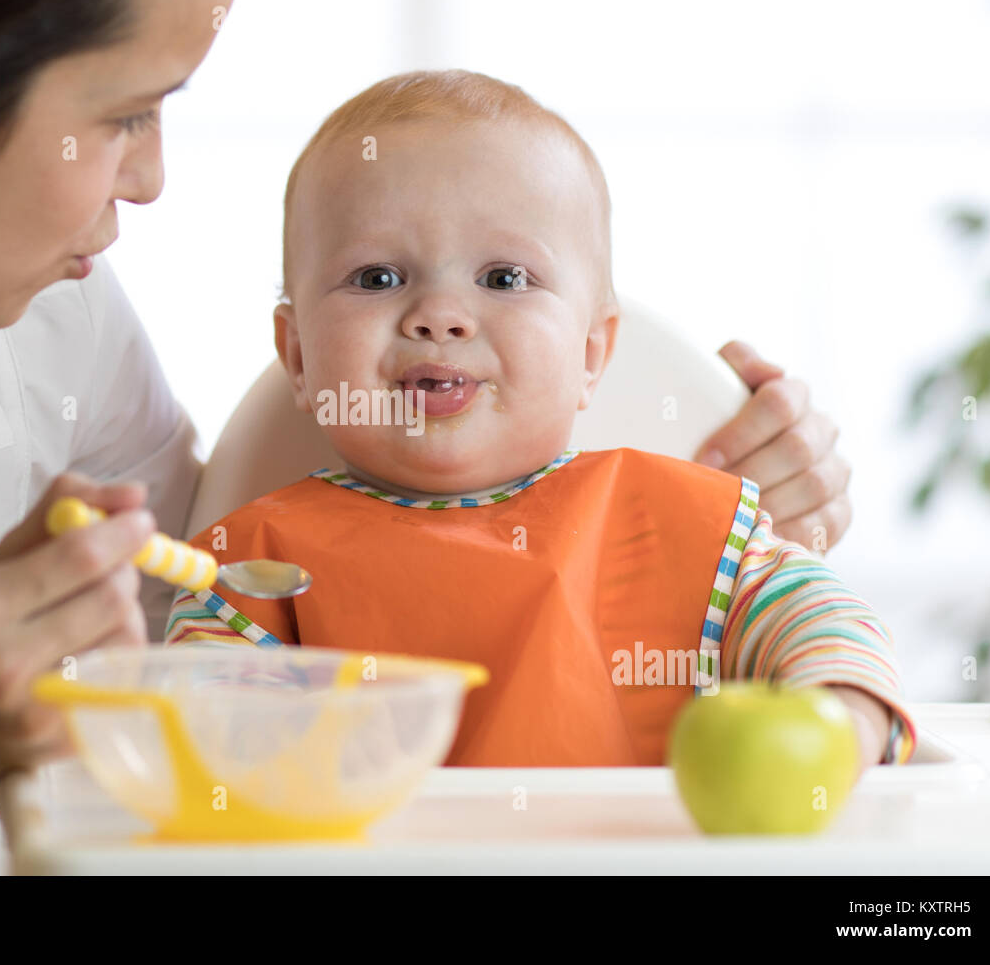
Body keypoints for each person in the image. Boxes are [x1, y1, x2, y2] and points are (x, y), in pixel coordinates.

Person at [0, 0, 852, 875]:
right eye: (126, 113)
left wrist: (770, 502)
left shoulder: (51, 314)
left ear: (595, 345)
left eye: (504, 280)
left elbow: (199, 567)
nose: (152, 178)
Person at [165, 70, 916, 771]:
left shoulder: (685, 523)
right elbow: (197, 736)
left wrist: (838, 719)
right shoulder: (246, 567)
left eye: (505, 278)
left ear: (592, 353)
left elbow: (822, 622)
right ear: (297, 356)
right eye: (378, 278)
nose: (440, 316)